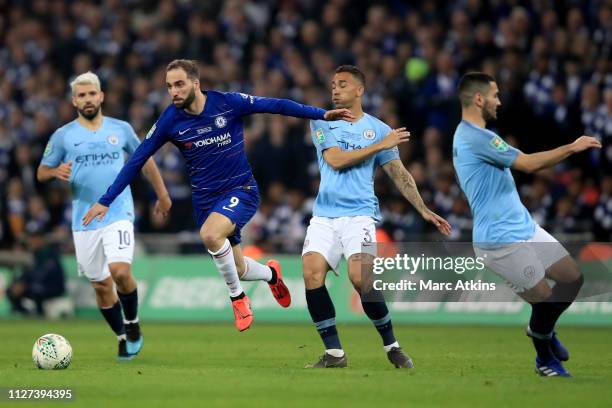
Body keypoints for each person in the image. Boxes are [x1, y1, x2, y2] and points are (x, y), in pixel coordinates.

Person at [82, 59, 353, 332]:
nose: (173, 91)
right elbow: (137, 160)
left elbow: (277, 105)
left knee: (211, 235)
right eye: (168, 87)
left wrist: (320, 114)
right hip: (205, 201)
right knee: (240, 269)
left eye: (179, 84)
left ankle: (237, 298)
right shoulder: (170, 120)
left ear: (195, 84)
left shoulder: (227, 103)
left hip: (241, 190)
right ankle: (271, 275)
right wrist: (106, 200)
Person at [452, 72, 601, 377]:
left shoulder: (469, 135)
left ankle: (541, 330)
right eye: (494, 95)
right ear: (479, 99)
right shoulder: (477, 138)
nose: (499, 101)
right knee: (544, 300)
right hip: (499, 238)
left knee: (572, 278)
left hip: (523, 226)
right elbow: (530, 164)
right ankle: (544, 360)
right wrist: (572, 147)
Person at [302, 65, 452, 368]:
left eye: (342, 85)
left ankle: (392, 346)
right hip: (324, 217)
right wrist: (379, 145)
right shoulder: (321, 122)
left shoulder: (379, 129)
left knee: (361, 279)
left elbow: (399, 173)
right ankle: (334, 353)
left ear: (359, 91)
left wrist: (422, 208)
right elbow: (335, 160)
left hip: (361, 216)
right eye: (332, 84)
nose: (335, 90)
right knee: (311, 274)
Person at [38, 72, 172, 360]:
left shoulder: (120, 129)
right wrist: (54, 172)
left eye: (91, 94)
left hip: (118, 211)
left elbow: (144, 160)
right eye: (81, 95)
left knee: (120, 272)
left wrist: (162, 194)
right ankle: (123, 336)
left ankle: (133, 324)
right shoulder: (63, 136)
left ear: (101, 96)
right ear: (74, 101)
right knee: (100, 285)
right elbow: (41, 171)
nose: (87, 99)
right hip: (84, 220)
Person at [5, 223, 66, 317]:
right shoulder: (32, 254)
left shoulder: (51, 253)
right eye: (31, 238)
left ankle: (40, 315)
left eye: (36, 238)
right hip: (35, 284)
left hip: (53, 286)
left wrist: (26, 284)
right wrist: (20, 282)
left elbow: (45, 273)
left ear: (42, 240)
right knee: (11, 290)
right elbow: (26, 273)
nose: (33, 241)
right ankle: (22, 313)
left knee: (36, 290)